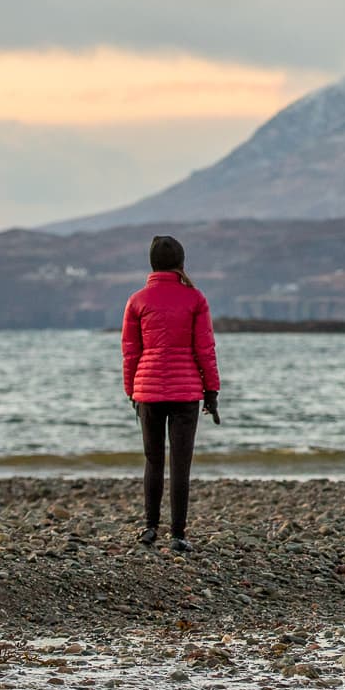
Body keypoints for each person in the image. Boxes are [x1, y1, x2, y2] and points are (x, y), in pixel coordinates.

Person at [120, 234, 221, 551]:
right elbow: (205, 349)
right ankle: (178, 535)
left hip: (147, 392)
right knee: (181, 464)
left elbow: (130, 353)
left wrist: (131, 389)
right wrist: (212, 391)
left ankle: (150, 528)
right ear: (181, 263)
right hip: (186, 393)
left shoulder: (137, 300)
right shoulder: (195, 298)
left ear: (152, 264)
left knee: (153, 461)